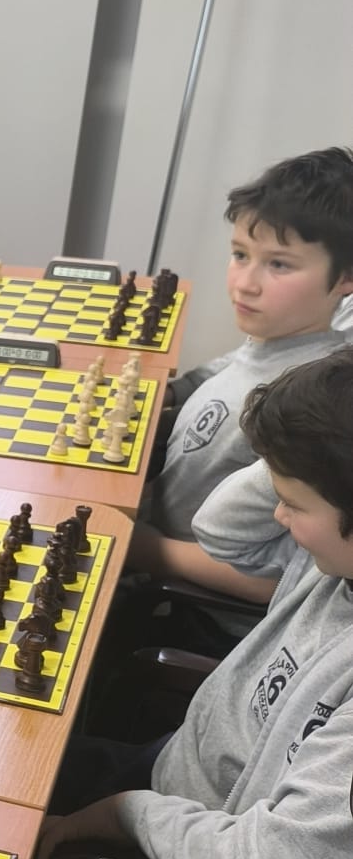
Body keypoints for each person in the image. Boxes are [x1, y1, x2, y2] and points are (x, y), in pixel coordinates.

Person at [18, 348, 353, 859]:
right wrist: (304, 447)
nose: (278, 515)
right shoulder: (334, 561)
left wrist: (125, 814)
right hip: (175, 785)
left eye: (295, 504)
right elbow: (220, 527)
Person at [139, 145, 353, 554]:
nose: (245, 284)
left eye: (279, 264)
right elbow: (232, 365)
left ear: (346, 277)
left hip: (178, 578)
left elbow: (275, 576)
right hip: (152, 524)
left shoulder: (311, 406)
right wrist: (169, 392)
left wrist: (144, 551)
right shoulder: (275, 339)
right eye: (240, 255)